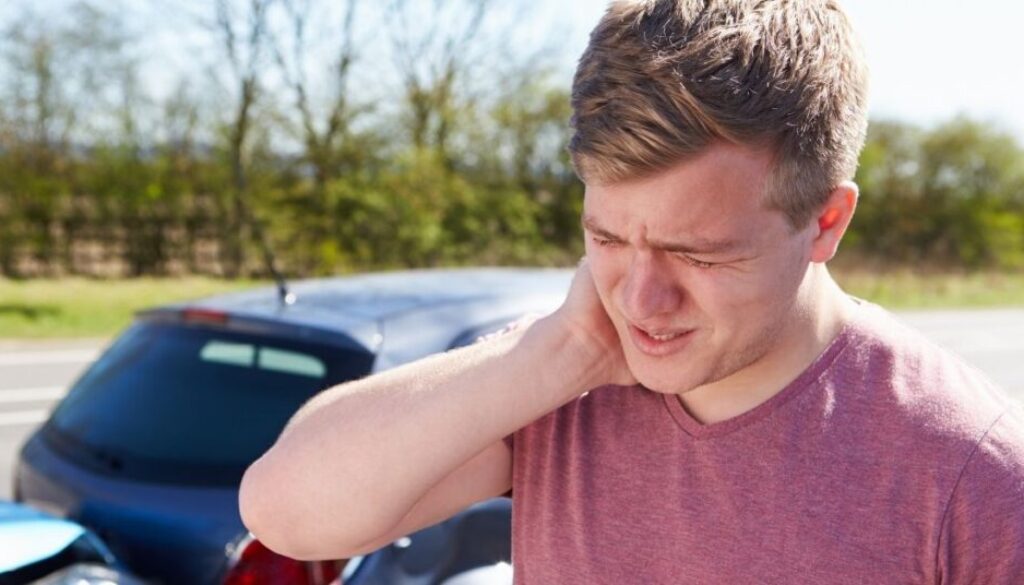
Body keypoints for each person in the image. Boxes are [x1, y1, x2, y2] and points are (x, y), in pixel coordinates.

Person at [239, 0, 1024, 582]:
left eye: (698, 254)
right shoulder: (562, 386)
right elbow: (286, 513)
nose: (641, 301)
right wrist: (562, 350)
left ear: (826, 222)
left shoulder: (973, 474)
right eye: (608, 238)